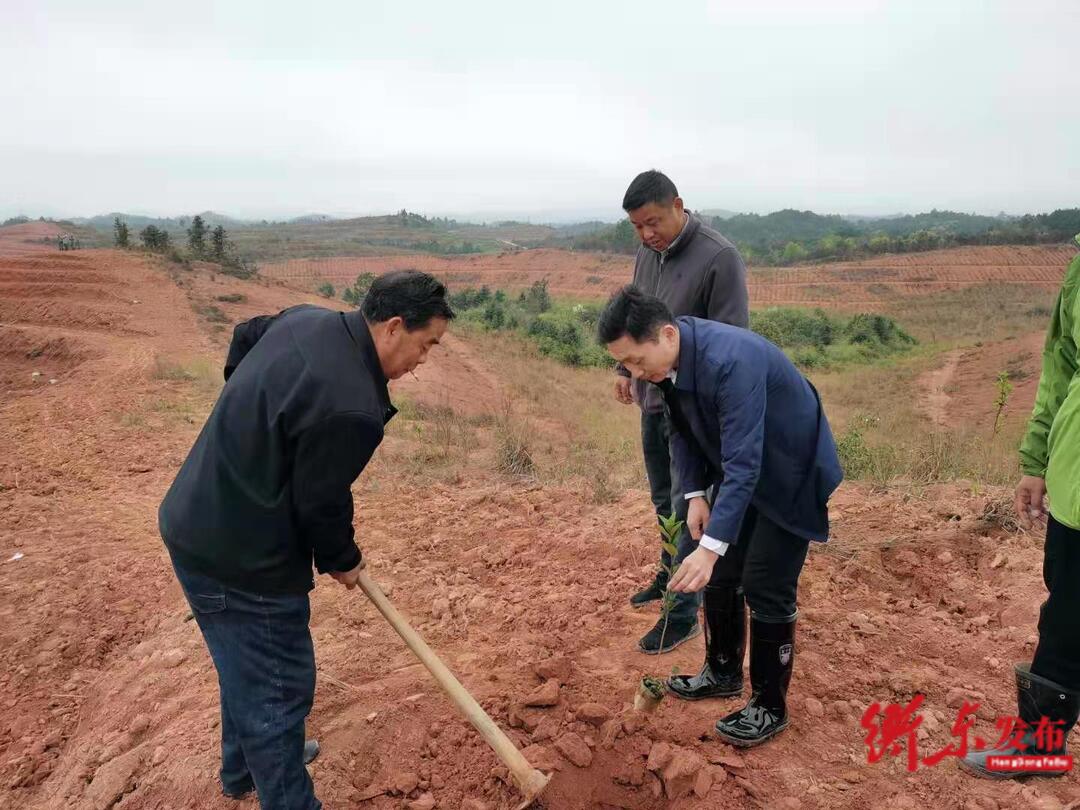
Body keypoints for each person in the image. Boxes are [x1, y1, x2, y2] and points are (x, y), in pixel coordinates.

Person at [158, 271, 454, 808]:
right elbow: (319, 502)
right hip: (241, 560)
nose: (423, 360)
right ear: (392, 327)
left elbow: (246, 336)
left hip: (194, 520)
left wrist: (249, 434)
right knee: (277, 689)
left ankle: (242, 771)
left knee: (243, 663)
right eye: (425, 344)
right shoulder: (353, 406)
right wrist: (343, 558)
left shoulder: (308, 320)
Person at [599, 286, 842, 746]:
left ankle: (769, 706)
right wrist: (695, 495)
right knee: (724, 572)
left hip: (789, 471)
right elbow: (682, 431)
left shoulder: (730, 361)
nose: (631, 374)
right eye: (623, 365)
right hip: (742, 469)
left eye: (633, 361)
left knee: (766, 582)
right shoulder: (669, 365)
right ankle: (723, 672)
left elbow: (747, 463)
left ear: (666, 334)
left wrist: (708, 550)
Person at [614, 169, 749, 655]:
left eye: (652, 221)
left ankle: (682, 614)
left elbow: (734, 342)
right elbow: (634, 320)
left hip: (693, 411)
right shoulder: (647, 254)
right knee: (662, 500)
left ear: (678, 205)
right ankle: (669, 574)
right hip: (653, 397)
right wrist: (624, 368)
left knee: (688, 504)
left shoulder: (719, 257)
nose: (646, 234)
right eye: (636, 227)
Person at [961, 239, 1080, 779]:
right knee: (1067, 612)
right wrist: (1037, 458)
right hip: (1077, 482)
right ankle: (1042, 743)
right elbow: (1061, 365)